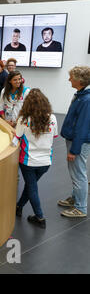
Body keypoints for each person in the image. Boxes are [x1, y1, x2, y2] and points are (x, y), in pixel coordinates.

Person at [14, 89, 58, 228]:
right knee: (30, 185)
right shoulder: (52, 118)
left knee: (32, 188)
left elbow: (17, 137)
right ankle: (19, 206)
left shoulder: (23, 119)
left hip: (28, 161)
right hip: (46, 161)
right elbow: (55, 136)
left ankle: (40, 217)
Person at [58, 66, 90, 218]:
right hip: (75, 140)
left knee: (78, 174)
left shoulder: (86, 99)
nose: (69, 79)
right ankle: (76, 198)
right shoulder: (81, 95)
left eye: (71, 77)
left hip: (78, 143)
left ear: (79, 80)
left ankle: (81, 208)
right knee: (76, 172)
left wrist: (74, 150)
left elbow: (83, 127)